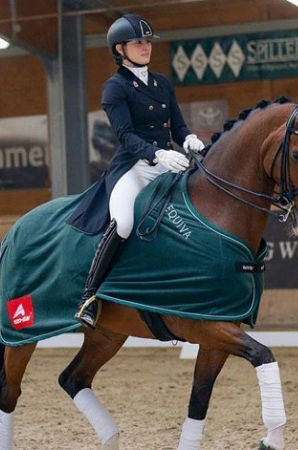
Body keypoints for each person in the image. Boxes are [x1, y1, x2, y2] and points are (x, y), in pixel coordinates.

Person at [71, 14, 205, 329]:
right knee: (124, 223)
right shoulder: (115, 87)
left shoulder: (161, 83)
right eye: (138, 42)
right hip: (134, 167)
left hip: (169, 164)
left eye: (147, 41)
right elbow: (126, 136)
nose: (146, 47)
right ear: (120, 49)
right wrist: (158, 153)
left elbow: (178, 123)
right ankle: (89, 298)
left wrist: (189, 139)